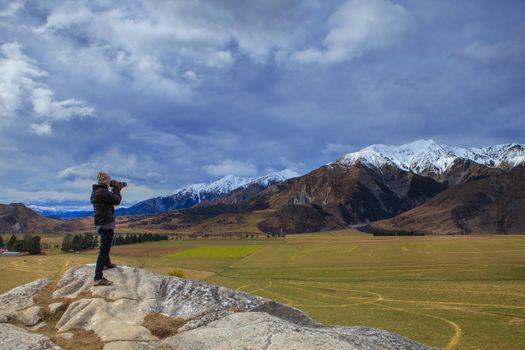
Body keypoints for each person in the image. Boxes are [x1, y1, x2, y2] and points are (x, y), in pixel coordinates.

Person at [91, 171, 125, 286]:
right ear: (106, 182)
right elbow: (117, 200)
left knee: (105, 247)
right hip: (105, 224)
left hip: (101, 223)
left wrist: (114, 187)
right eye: (109, 181)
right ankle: (98, 278)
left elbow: (110, 199)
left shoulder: (98, 192)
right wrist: (117, 188)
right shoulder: (102, 192)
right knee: (104, 250)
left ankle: (107, 263)